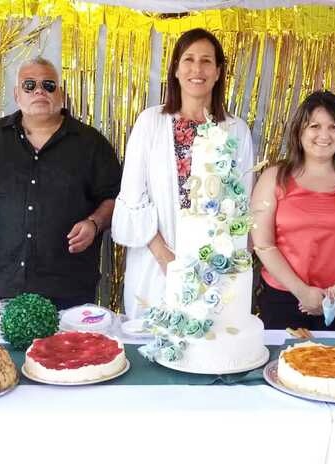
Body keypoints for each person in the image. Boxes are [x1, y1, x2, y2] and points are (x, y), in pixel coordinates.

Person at [112, 28, 254, 320]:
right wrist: (168, 260)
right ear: (175, 69)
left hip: (213, 270)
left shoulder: (236, 129)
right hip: (155, 263)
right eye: (188, 59)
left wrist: (213, 264)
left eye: (206, 61)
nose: (197, 69)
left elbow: (241, 206)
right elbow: (132, 196)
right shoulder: (151, 122)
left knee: (208, 349)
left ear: (218, 71)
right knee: (155, 346)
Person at [0, 57, 121, 321]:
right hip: (6, 284)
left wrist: (94, 223)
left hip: (69, 285)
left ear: (60, 94)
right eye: (29, 85)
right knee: (6, 360)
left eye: (48, 85)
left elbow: (115, 197)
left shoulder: (90, 143)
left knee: (68, 359)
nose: (40, 91)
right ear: (17, 94)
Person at [251, 90, 335, 330]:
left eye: (334, 127)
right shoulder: (273, 177)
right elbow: (263, 244)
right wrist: (301, 291)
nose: (324, 135)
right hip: (282, 299)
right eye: (314, 126)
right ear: (299, 131)